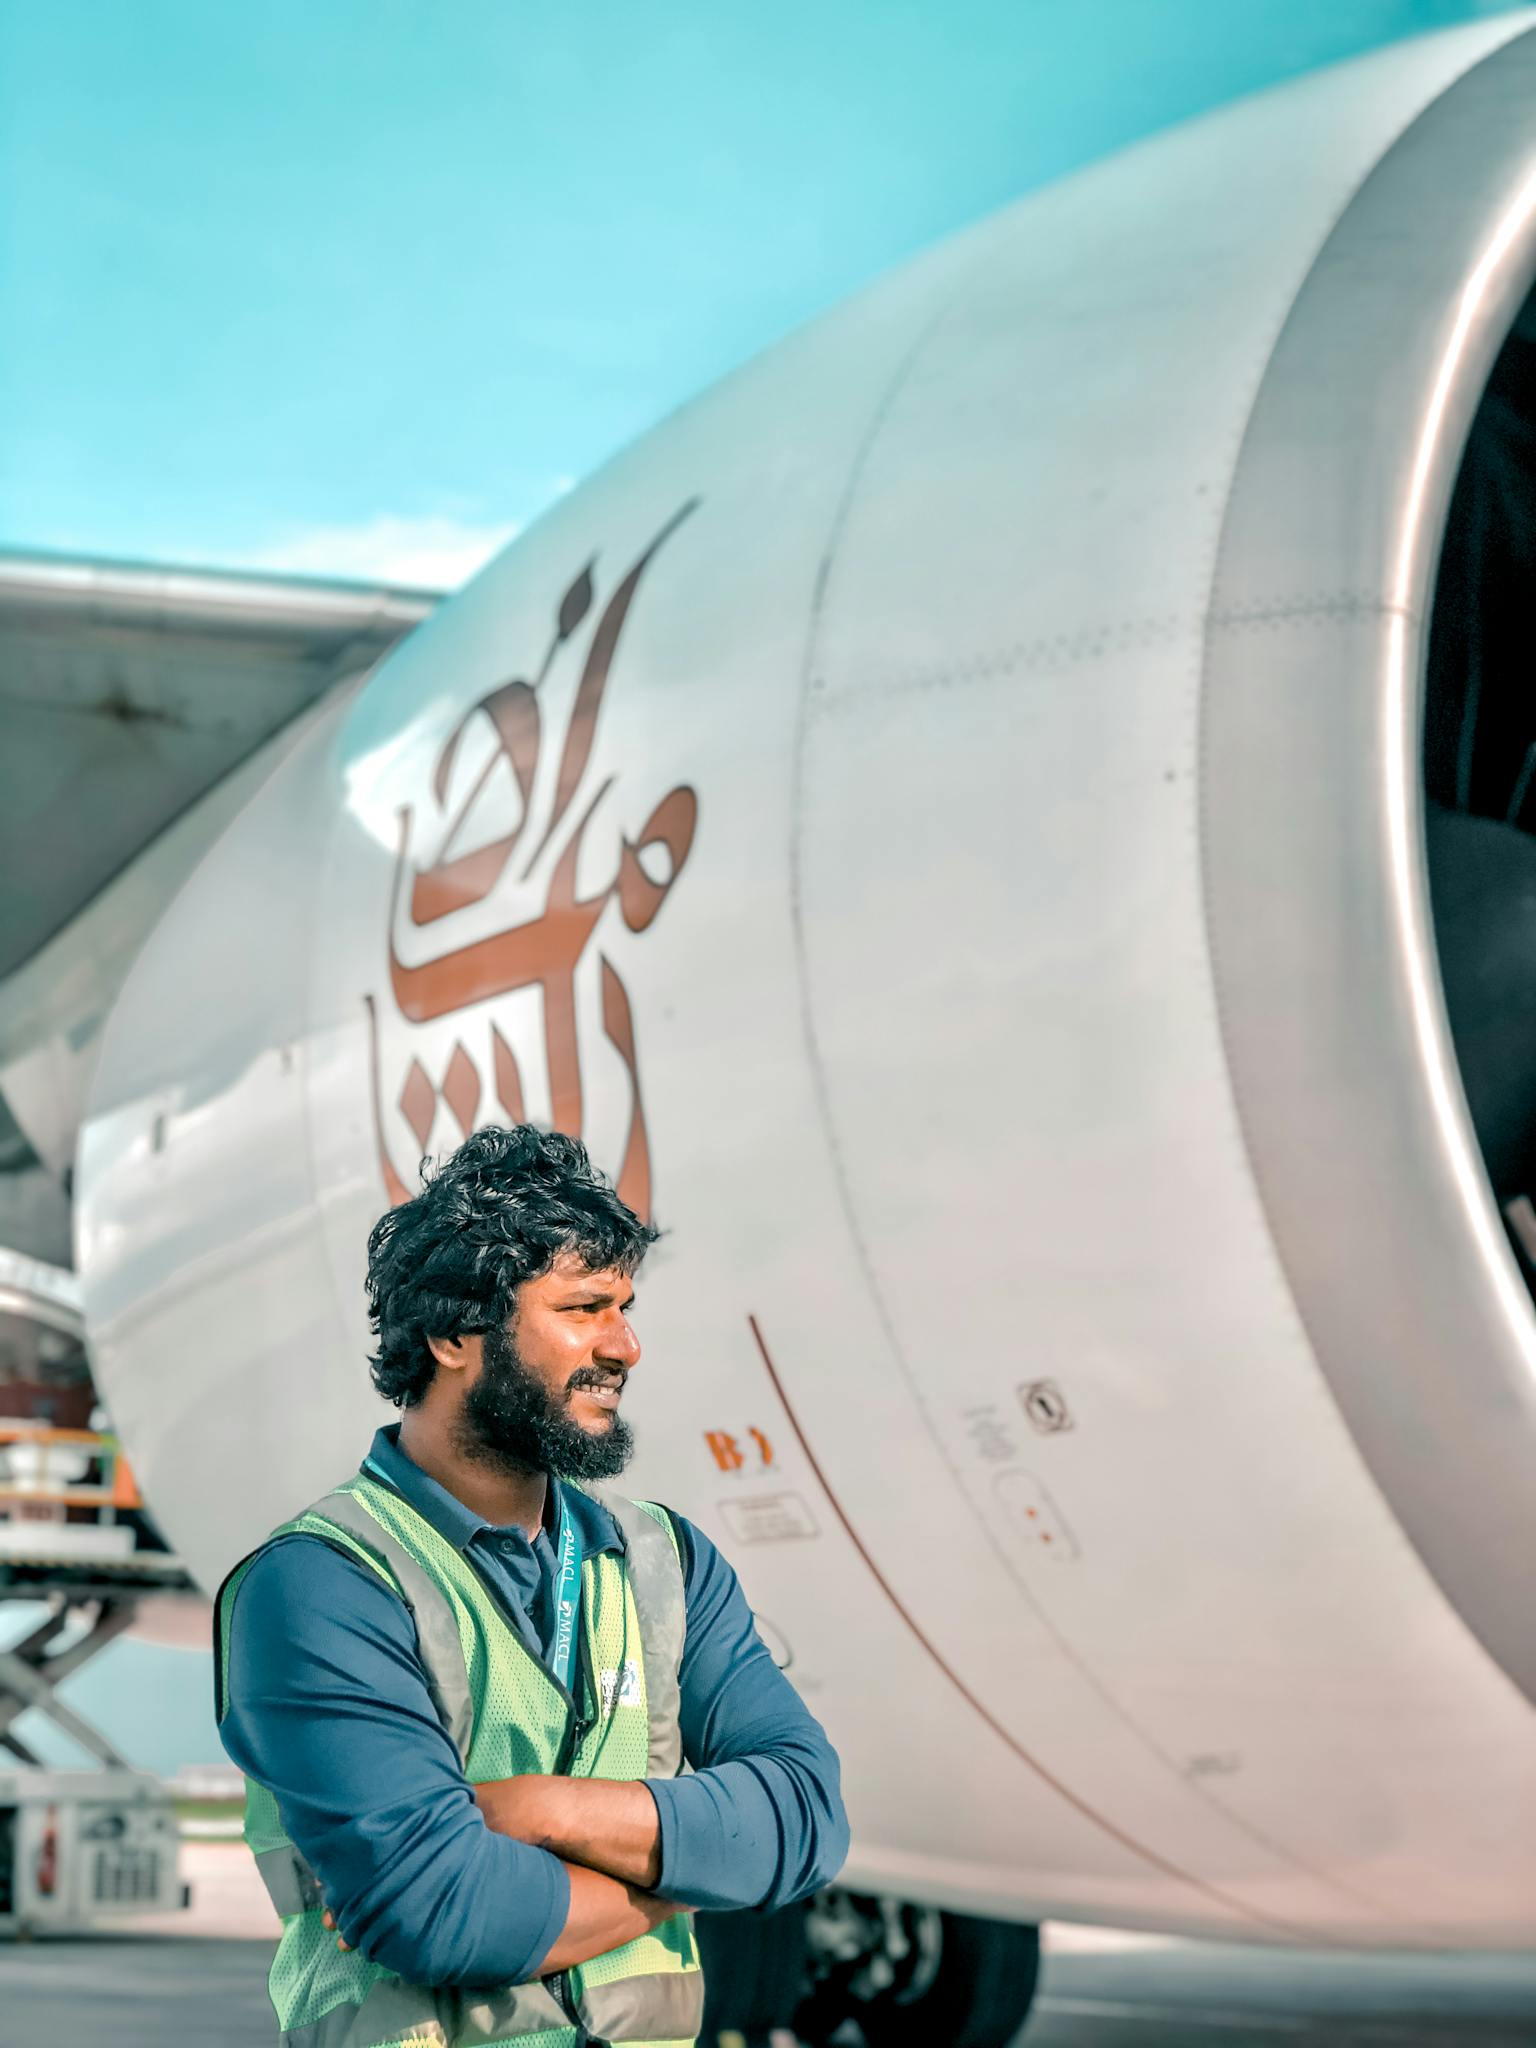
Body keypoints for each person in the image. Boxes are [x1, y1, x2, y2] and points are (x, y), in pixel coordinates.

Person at [216, 1124, 848, 2047]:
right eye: (585, 1308)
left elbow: (810, 1816)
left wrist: (541, 1811)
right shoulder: (320, 1584)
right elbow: (441, 1909)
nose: (626, 1346)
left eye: (626, 1308)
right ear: (451, 1335)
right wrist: (695, 1870)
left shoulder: (668, 1562)